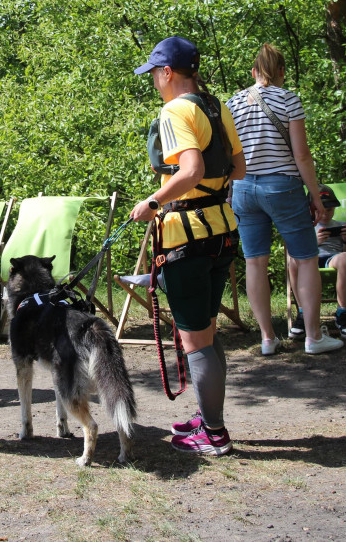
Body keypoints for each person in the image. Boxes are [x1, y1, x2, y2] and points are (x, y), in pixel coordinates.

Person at [129, 36, 246, 456]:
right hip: (222, 231)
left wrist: (154, 201)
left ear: (166, 72)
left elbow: (192, 169)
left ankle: (213, 434)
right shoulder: (214, 106)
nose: (155, 84)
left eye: (155, 75)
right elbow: (240, 167)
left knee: (195, 340)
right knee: (207, 332)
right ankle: (207, 416)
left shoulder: (175, 109)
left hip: (188, 239)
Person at [225, 43, 344, 355]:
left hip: (244, 189)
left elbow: (228, 153)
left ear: (253, 71)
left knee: (255, 261)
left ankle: (267, 338)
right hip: (282, 186)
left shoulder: (234, 102)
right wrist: (316, 196)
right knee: (305, 258)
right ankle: (314, 337)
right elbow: (302, 155)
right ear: (281, 72)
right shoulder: (289, 99)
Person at [286, 184, 346, 339]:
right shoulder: (303, 227)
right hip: (309, 260)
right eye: (322, 210)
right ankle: (302, 312)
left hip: (333, 259)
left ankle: (342, 313)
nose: (326, 214)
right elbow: (295, 252)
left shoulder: (341, 226)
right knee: (292, 260)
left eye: (330, 210)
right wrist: (314, 243)